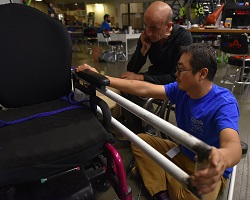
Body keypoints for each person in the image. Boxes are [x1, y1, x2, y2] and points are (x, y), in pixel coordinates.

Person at [76, 43, 242, 200]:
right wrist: (100, 77)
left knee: (195, 193)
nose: (176, 74)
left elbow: (234, 145)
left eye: (181, 69)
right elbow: (144, 88)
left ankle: (157, 176)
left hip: (206, 169)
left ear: (202, 74)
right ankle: (162, 193)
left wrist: (220, 158)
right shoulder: (181, 89)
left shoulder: (223, 103)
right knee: (140, 140)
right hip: (182, 152)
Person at [121, 1, 193, 133]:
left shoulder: (183, 37)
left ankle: (150, 132)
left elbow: (175, 77)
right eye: (146, 26)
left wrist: (140, 78)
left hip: (173, 81)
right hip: (155, 76)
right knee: (125, 86)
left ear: (168, 26)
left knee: (138, 90)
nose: (148, 32)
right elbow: (131, 69)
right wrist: (142, 51)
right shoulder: (148, 36)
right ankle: (133, 131)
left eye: (153, 28)